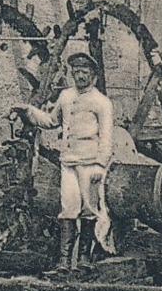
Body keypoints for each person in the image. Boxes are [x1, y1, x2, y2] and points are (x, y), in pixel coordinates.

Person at [11, 52, 115, 268]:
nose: (80, 76)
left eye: (84, 72)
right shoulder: (66, 97)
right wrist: (27, 111)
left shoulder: (102, 102)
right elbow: (50, 121)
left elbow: (106, 137)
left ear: (93, 75)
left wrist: (99, 165)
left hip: (90, 163)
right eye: (76, 72)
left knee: (89, 209)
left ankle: (84, 258)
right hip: (68, 162)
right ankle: (64, 261)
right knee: (68, 208)